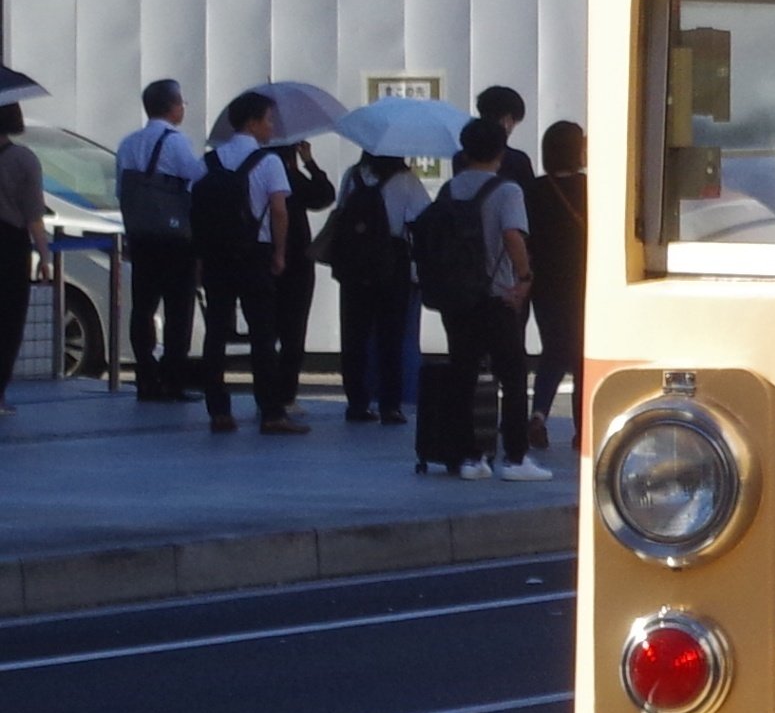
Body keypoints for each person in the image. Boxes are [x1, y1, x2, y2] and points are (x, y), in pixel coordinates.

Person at [413, 116, 539, 479]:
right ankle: (515, 457)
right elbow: (513, 237)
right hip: (497, 296)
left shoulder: (450, 189)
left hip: (457, 297)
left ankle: (470, 457)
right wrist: (525, 277)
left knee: (463, 374)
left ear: (465, 151)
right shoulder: (507, 191)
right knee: (512, 376)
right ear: (501, 151)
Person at [189, 91, 306, 433]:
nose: (272, 127)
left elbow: (196, 213)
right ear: (253, 122)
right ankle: (270, 411)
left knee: (216, 334)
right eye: (269, 120)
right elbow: (280, 212)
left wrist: (199, 256)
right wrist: (280, 253)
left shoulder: (207, 162)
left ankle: (219, 410)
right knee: (262, 334)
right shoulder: (269, 163)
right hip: (255, 254)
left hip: (215, 256)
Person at [114, 79, 204, 401]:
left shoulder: (128, 143)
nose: (183, 108)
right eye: (181, 102)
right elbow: (197, 181)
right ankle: (172, 379)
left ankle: (146, 374)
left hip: (141, 236)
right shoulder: (176, 142)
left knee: (143, 307)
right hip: (175, 238)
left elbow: (120, 190)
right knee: (179, 309)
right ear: (172, 106)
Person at [325, 153, 423, 427]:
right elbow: (420, 218)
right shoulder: (406, 180)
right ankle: (390, 406)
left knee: (354, 333)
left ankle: (357, 402)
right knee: (390, 335)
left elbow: (341, 211)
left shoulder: (352, 175)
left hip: (354, 261)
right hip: (392, 261)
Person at [525, 120, 590, 461]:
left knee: (553, 350)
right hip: (583, 283)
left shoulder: (533, 190)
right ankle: (582, 430)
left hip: (545, 284)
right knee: (582, 355)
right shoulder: (590, 189)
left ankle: (539, 415)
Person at [0, 106, 43, 409]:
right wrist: (45, 254)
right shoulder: (24, 159)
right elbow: (34, 215)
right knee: (9, 319)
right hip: (10, 243)